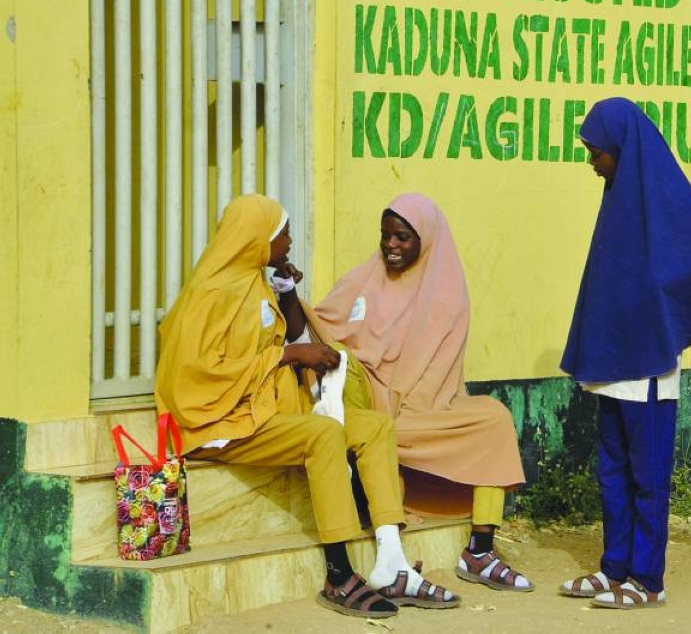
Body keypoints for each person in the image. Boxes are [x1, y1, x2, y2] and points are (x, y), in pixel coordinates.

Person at [155, 194, 458, 620]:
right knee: (323, 434)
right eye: (285, 233)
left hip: (262, 411)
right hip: (216, 422)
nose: (291, 240)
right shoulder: (210, 293)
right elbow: (192, 375)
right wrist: (290, 357)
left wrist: (286, 292)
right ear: (257, 238)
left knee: (373, 428)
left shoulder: (256, 281)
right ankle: (338, 575)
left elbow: (284, 336)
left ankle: (392, 560)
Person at [558, 96, 691, 610]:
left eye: (597, 151)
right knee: (613, 472)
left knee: (646, 475)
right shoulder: (620, 200)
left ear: (622, 149)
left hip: (647, 369)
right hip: (610, 368)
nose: (592, 162)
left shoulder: (664, 201)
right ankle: (615, 568)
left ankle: (648, 579)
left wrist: (669, 320)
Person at [311, 194, 533, 592]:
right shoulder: (364, 279)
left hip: (423, 410)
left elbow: (439, 374)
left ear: (426, 241)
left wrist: (407, 407)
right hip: (371, 410)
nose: (390, 246)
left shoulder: (449, 297)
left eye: (402, 238)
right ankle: (392, 558)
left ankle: (480, 550)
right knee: (356, 391)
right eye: (385, 236)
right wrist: (287, 295)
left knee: (495, 418)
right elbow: (322, 327)